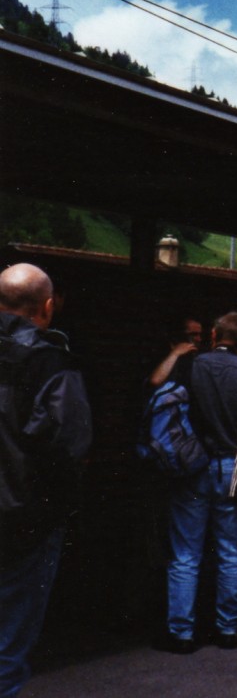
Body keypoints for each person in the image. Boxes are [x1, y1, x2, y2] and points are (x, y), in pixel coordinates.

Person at [0, 263, 92, 698]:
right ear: (48, 307)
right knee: (8, 645)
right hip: (24, 525)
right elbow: (69, 445)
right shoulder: (51, 362)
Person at [163, 312, 237, 653]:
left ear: (213, 334)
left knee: (185, 552)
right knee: (232, 551)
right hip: (232, 468)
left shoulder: (192, 366)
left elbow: (163, 400)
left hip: (192, 465)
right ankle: (228, 630)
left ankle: (181, 632)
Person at [147, 316, 204, 388]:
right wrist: (175, 353)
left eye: (200, 334)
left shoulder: (198, 356)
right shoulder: (160, 352)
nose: (199, 339)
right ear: (179, 334)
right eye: (193, 334)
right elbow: (155, 381)